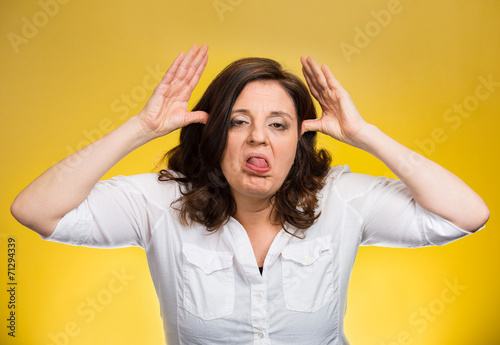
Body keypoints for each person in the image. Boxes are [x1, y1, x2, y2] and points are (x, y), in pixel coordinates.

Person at [11, 43, 489, 344]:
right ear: (215, 135)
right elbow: (34, 210)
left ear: (297, 141)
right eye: (240, 122)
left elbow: (467, 214)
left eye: (278, 124)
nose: (259, 137)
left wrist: (366, 135)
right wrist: (139, 128)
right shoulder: (163, 203)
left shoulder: (340, 198)